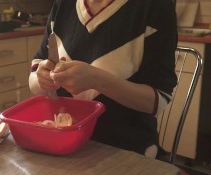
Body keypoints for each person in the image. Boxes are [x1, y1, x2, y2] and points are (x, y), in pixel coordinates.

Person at [29, 0, 178, 158]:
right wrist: (42, 80)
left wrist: (97, 80)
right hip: (62, 142)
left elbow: (158, 99)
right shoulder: (63, 4)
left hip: (126, 150)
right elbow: (34, 78)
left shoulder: (156, 6)